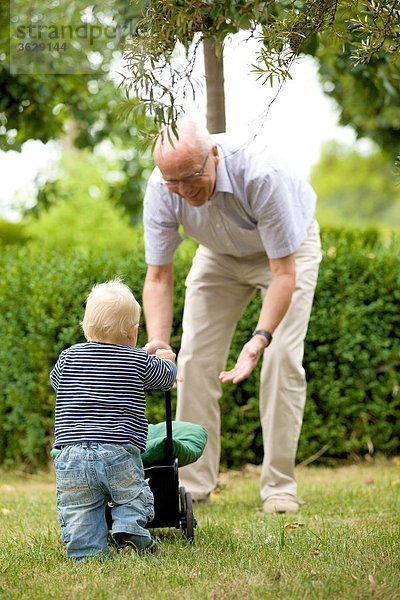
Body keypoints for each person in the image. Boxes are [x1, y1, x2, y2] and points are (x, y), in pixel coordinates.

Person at [142, 121, 322, 514]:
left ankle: (279, 487)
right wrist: (159, 343)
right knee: (191, 361)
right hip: (218, 256)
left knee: (281, 358)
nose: (184, 190)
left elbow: (284, 273)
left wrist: (259, 339)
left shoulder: (261, 175)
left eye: (191, 177)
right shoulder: (162, 186)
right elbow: (158, 276)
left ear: (214, 157)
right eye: (174, 181)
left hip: (287, 253)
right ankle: (190, 484)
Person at [50, 278, 177, 560]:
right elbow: (166, 378)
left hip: (71, 453)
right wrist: (167, 359)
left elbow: (57, 382)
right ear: (133, 332)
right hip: (118, 450)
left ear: (85, 327)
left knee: (79, 507)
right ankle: (129, 527)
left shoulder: (68, 357)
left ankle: (87, 553)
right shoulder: (138, 361)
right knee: (131, 494)